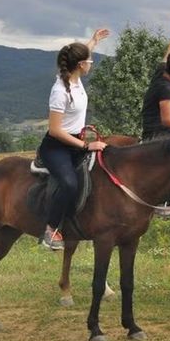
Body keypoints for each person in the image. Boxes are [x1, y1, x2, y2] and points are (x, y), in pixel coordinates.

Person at [39, 28, 110, 250]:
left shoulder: (76, 79)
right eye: (90, 61)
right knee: (70, 184)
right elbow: (55, 131)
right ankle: (51, 230)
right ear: (80, 65)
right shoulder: (60, 90)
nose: (91, 64)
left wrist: (93, 42)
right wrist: (87, 145)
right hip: (57, 147)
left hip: (76, 142)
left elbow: (79, 55)